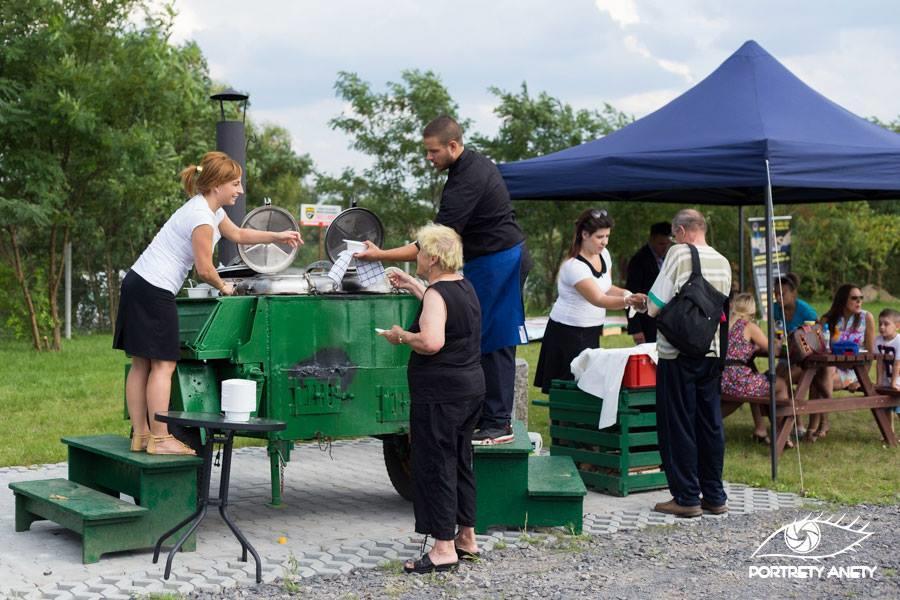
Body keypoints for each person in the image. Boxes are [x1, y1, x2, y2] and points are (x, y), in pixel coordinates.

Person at [357, 115, 530, 445]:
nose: (428, 158)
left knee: (494, 338)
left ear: (453, 145)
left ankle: (498, 422)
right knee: (475, 334)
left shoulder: (468, 179)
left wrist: (379, 255)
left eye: (433, 151)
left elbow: (432, 244)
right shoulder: (465, 168)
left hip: (500, 260)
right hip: (484, 260)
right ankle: (482, 412)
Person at [114, 151, 302, 455]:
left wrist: (276, 235)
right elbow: (204, 269)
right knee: (164, 365)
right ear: (217, 185)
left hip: (138, 282)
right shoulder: (201, 217)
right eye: (236, 184)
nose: (240, 191)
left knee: (141, 364)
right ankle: (160, 439)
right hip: (154, 289)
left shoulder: (207, 210)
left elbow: (238, 234)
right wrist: (225, 287)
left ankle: (141, 435)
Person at [378, 224, 483, 574]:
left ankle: (442, 548)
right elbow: (445, 315)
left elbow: (433, 341)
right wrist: (413, 286)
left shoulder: (438, 295)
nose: (416, 254)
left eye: (419, 249)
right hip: (469, 389)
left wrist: (402, 336)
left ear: (433, 258)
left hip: (441, 394)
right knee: (460, 460)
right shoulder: (462, 286)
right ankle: (466, 537)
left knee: (436, 464)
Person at [646, 209, 731, 518]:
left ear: (681, 231)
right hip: (711, 352)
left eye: (674, 234)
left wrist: (644, 302)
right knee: (710, 424)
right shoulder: (723, 261)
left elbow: (655, 305)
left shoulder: (679, 253)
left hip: (678, 354)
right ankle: (715, 495)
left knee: (678, 425)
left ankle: (685, 497)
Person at [533, 209, 640, 393]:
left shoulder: (604, 255)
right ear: (584, 235)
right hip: (567, 333)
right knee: (565, 387)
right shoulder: (574, 266)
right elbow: (598, 298)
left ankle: (580, 422)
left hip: (591, 330)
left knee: (587, 384)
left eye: (607, 236)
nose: (605, 242)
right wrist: (629, 301)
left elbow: (605, 287)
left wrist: (627, 293)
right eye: (600, 237)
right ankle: (559, 422)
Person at [720, 293, 791, 446]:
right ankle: (782, 434)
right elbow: (773, 350)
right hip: (739, 381)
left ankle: (761, 429)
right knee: (780, 384)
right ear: (751, 311)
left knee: (754, 380)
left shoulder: (724, 324)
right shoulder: (749, 327)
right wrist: (779, 343)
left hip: (721, 378)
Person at [809, 283, 877, 441]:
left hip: (854, 371)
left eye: (861, 298)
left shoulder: (866, 318)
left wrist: (862, 380)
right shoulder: (828, 319)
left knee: (816, 381)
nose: (859, 301)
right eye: (854, 298)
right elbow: (814, 343)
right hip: (829, 367)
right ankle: (819, 424)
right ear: (842, 300)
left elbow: (870, 353)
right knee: (823, 373)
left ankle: (817, 426)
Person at [625, 222, 672, 344]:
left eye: (668, 244)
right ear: (651, 239)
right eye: (661, 243)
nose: (665, 247)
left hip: (667, 322)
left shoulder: (670, 258)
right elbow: (631, 293)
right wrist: (636, 329)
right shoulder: (639, 260)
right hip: (646, 323)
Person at [875, 308, 900, 393]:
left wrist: (893, 383)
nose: (882, 327)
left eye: (886, 324)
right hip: (887, 381)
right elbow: (879, 363)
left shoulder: (898, 341)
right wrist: (879, 383)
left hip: (898, 380)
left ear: (897, 326)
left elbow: (897, 364)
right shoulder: (878, 340)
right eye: (880, 324)